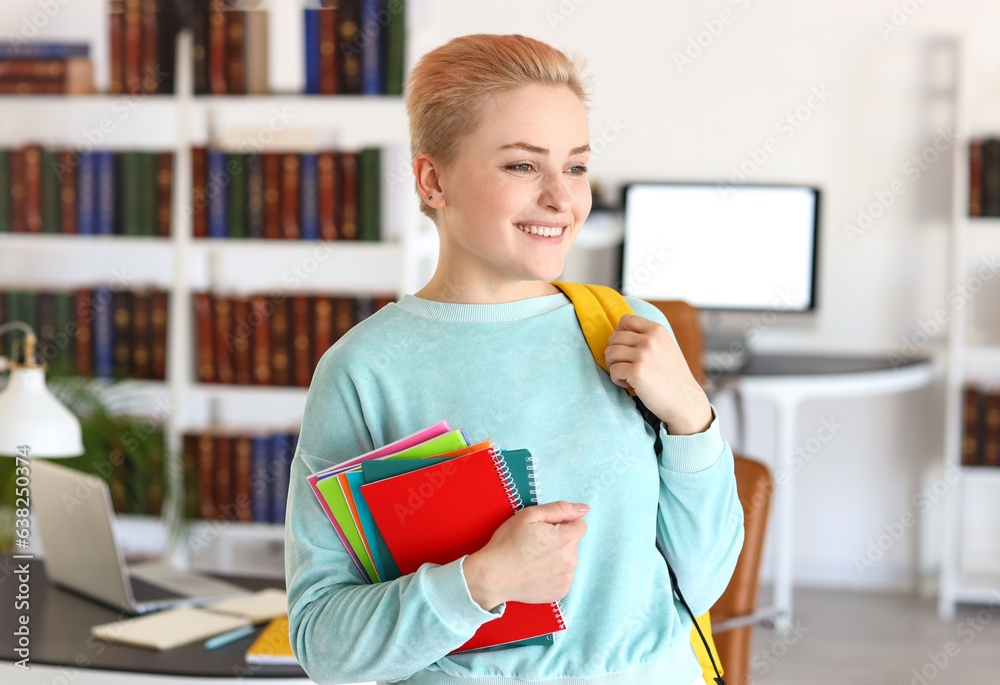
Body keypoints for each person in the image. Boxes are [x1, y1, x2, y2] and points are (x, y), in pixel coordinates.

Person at [285, 33, 744, 685]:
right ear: (432, 179)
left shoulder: (625, 329)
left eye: (577, 166)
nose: (562, 198)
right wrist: (481, 579)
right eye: (523, 166)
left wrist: (692, 417)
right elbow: (325, 647)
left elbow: (701, 583)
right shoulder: (364, 371)